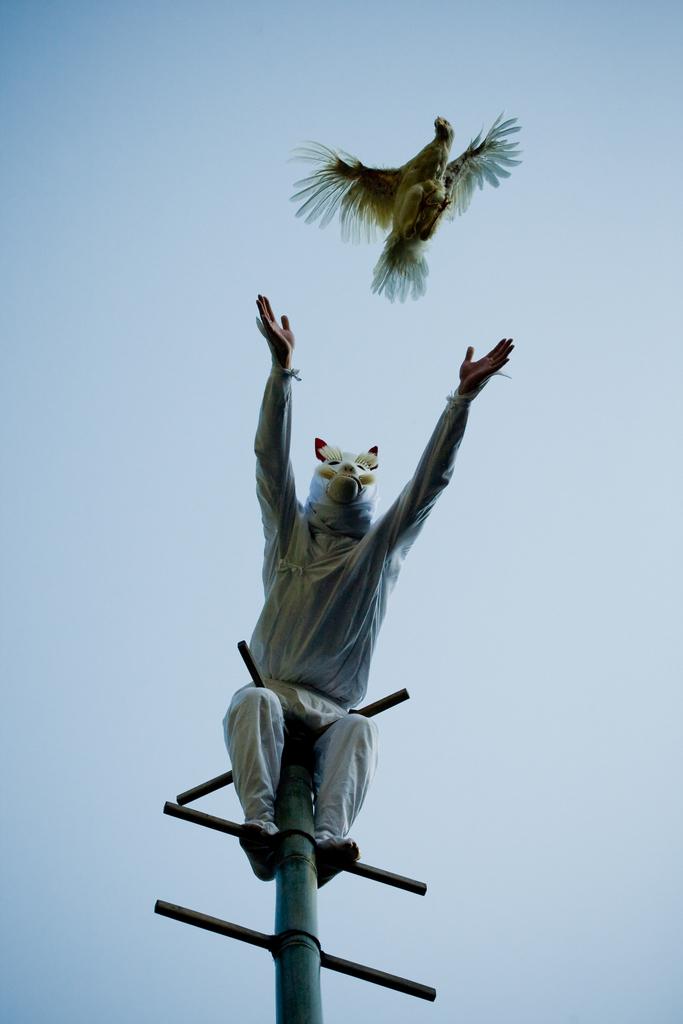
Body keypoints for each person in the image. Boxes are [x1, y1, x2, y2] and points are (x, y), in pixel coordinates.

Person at [224, 294, 513, 873]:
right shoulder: (290, 536)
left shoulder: (379, 551)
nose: (348, 479)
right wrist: (282, 374)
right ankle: (260, 826)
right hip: (273, 685)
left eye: (358, 472)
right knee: (249, 703)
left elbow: (429, 484)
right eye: (335, 469)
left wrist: (460, 402)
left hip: (336, 708)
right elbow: (269, 462)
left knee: (363, 732)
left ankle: (329, 840)